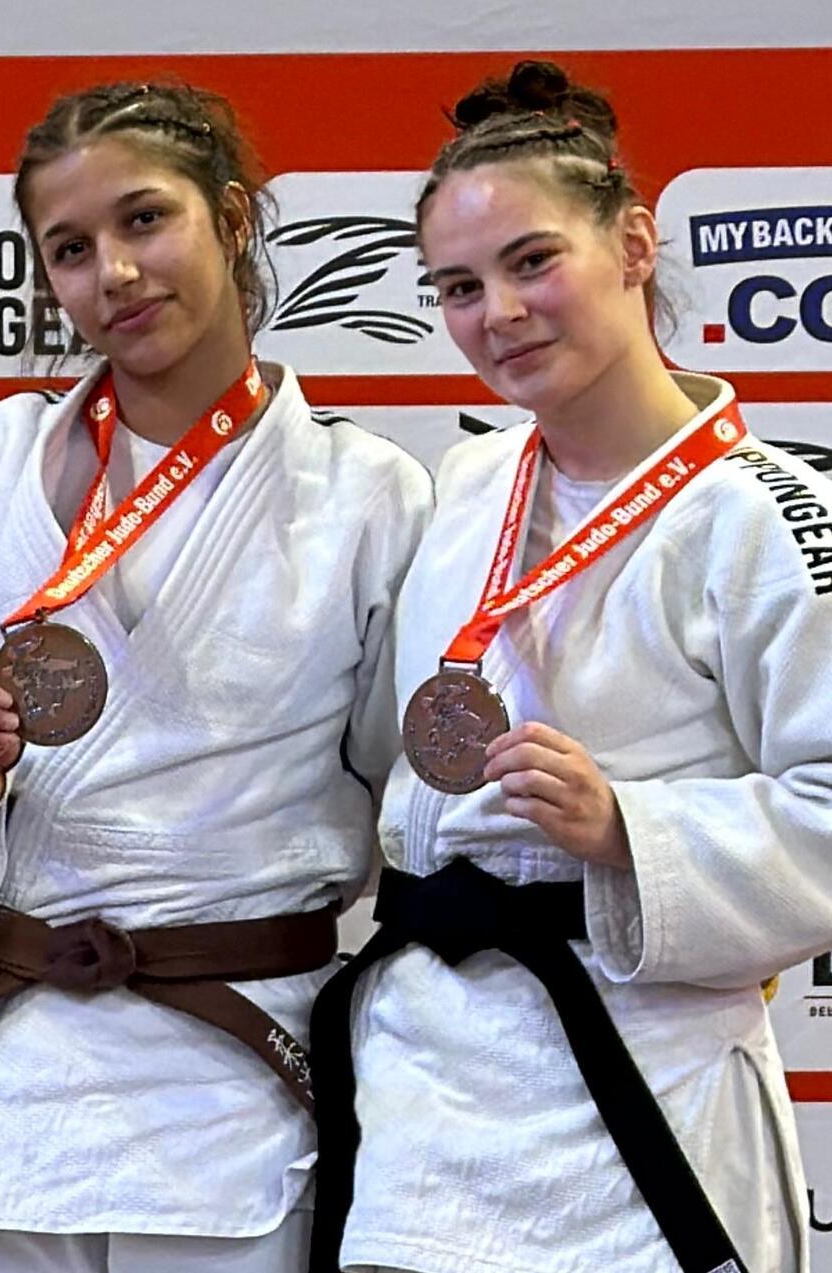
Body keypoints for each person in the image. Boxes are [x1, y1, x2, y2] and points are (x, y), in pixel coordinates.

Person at [0, 80, 431, 1272]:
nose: (113, 273)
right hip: (10, 1080)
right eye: (70, 249)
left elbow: (410, 799)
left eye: (145, 220)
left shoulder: (366, 495)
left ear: (232, 218)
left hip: (236, 1073)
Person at [308, 60, 828, 1273]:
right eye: (459, 287)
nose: (499, 313)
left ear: (634, 245)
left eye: (532, 261)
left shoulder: (763, 515)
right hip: (432, 1101)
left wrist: (628, 829)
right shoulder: (467, 485)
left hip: (643, 1087)